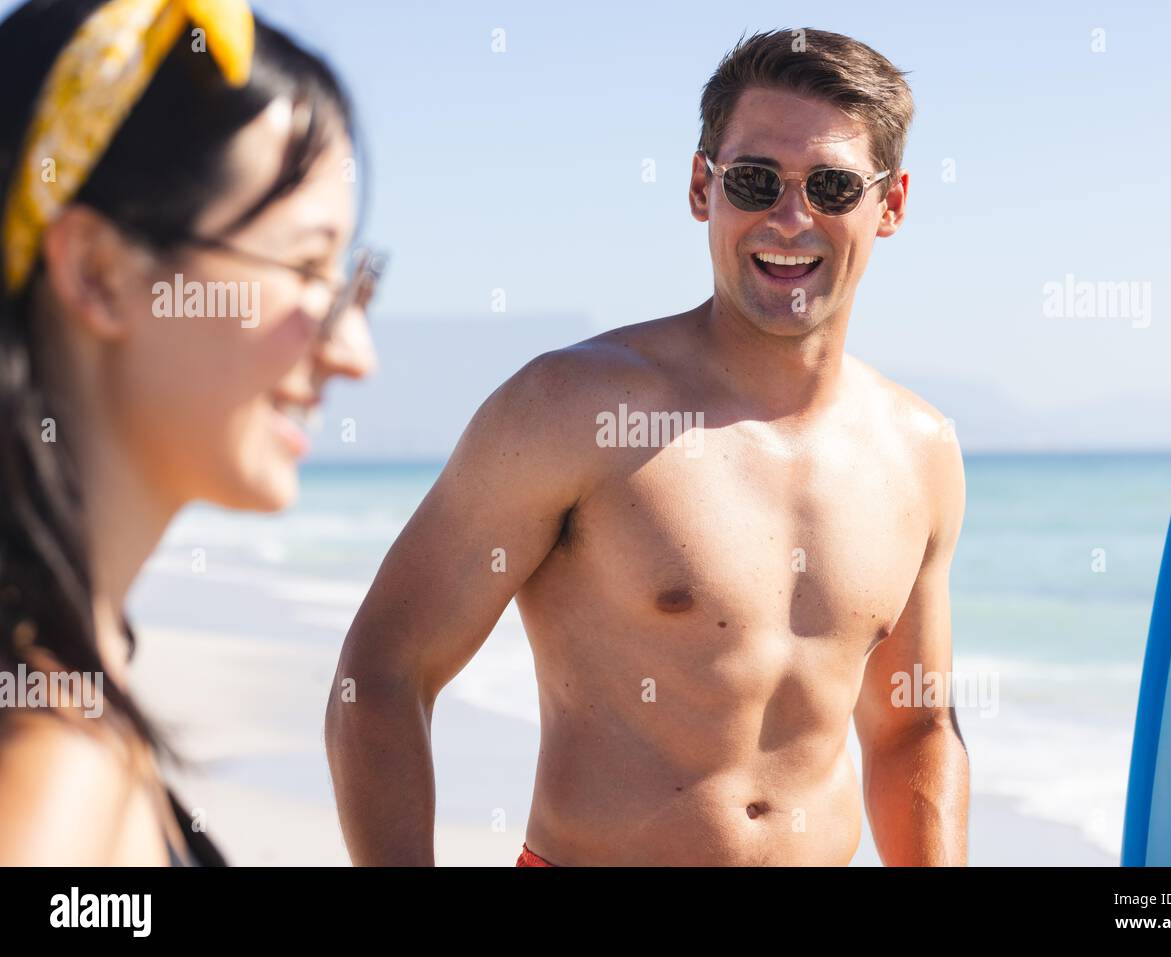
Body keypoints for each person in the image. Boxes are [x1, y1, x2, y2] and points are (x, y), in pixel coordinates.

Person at [326, 28, 967, 866]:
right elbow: (381, 673)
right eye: (754, 178)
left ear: (891, 205)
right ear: (703, 187)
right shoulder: (571, 408)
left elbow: (914, 727)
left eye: (834, 186)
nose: (789, 216)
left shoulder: (919, 450)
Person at [0, 0, 380, 865]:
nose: (353, 353)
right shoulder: (51, 756)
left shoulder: (68, 678)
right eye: (305, 269)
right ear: (99, 274)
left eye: (353, 283)